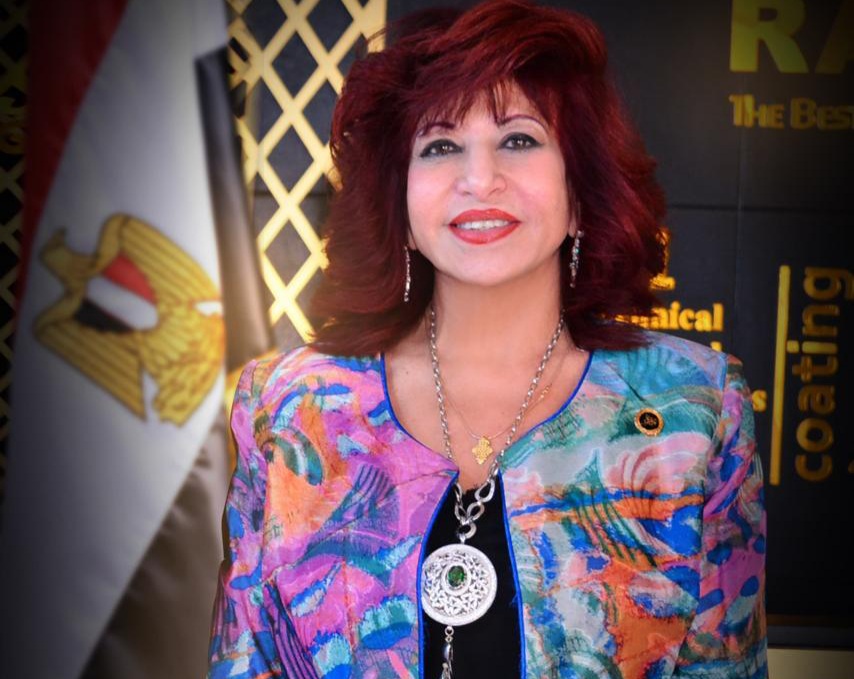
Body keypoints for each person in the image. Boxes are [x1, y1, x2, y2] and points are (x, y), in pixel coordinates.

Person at [206, 1, 767, 677]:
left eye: (519, 139)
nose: (479, 180)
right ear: (399, 204)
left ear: (581, 191)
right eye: (440, 146)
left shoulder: (694, 408)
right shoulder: (293, 404)